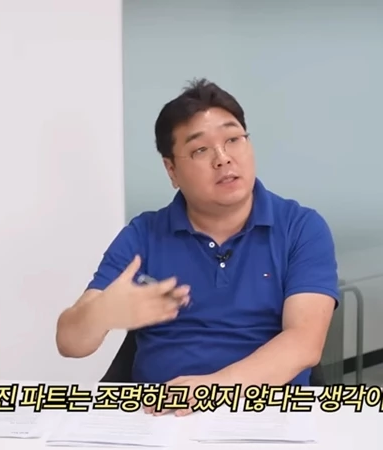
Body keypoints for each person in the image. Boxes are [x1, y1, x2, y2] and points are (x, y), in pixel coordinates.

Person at [55, 78, 339, 416]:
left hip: (268, 414)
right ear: (171, 170)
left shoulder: (301, 227)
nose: (223, 158)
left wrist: (215, 388)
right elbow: (70, 343)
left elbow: (304, 343)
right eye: (200, 150)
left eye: (233, 140)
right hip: (161, 419)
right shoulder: (144, 234)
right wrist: (101, 313)